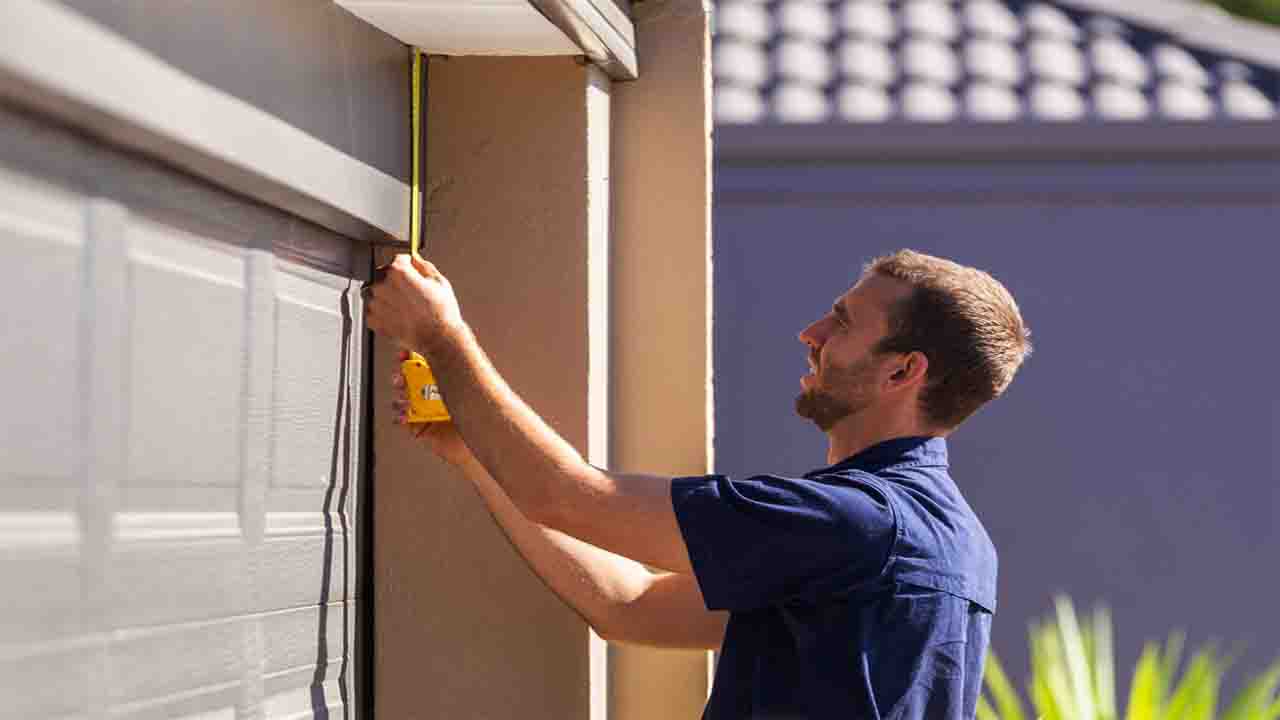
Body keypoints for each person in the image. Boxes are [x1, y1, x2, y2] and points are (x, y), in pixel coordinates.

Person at [364, 248, 1031, 719]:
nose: (812, 333)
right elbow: (629, 605)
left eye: (844, 323)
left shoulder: (857, 525)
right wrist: (474, 453)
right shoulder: (949, 541)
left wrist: (440, 334)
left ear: (901, 372)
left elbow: (566, 496)